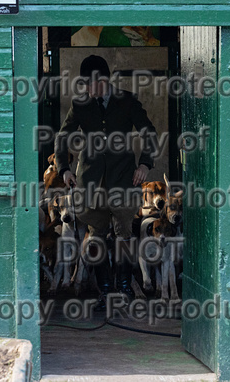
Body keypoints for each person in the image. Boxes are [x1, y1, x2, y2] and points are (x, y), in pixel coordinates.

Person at [54, 55, 157, 311]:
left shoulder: (127, 101)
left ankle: (123, 289)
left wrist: (145, 164)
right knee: (96, 237)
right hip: (90, 183)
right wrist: (64, 169)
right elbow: (61, 138)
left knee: (124, 235)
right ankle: (106, 293)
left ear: (104, 80)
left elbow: (149, 132)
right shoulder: (80, 105)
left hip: (124, 179)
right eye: (86, 84)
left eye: (93, 84)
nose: (89, 89)